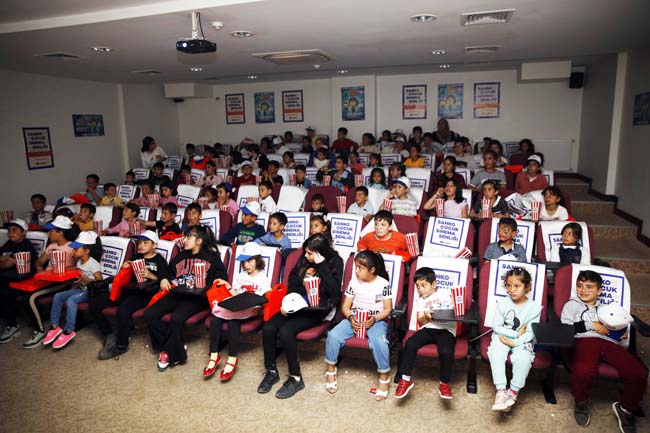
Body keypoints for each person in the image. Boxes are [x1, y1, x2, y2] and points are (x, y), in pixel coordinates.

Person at [258, 234, 343, 399]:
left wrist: (322, 265)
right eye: (306, 252)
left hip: (317, 308)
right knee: (268, 327)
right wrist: (290, 301)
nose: (306, 255)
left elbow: (334, 292)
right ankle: (271, 371)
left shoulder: (335, 261)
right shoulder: (304, 259)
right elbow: (293, 280)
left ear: (320, 253)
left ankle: (296, 377)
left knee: (286, 331)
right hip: (297, 303)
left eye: (310, 253)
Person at [561, 270, 648, 431]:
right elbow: (565, 330)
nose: (583, 290)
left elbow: (616, 328)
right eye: (580, 286)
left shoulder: (608, 308)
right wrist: (591, 325)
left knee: (639, 373)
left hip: (609, 343)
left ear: (599, 291)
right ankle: (581, 402)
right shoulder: (571, 305)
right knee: (583, 371)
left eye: (589, 287)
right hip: (585, 341)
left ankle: (626, 409)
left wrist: (620, 335)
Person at [144, 225, 227, 371]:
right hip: (177, 293)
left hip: (197, 298)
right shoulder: (181, 256)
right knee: (149, 314)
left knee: (176, 318)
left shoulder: (212, 257)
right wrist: (164, 279)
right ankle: (174, 346)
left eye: (188, 237)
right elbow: (166, 271)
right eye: (185, 237)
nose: (184, 240)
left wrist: (208, 284)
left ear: (199, 241)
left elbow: (221, 277)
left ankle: (172, 355)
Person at [324, 251, 392, 400]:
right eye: (356, 267)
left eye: (360, 268)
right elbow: (346, 306)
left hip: (376, 320)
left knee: (380, 341)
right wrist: (350, 317)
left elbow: (387, 309)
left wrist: (374, 319)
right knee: (333, 335)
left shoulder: (383, 284)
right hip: (354, 318)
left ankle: (384, 377)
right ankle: (330, 370)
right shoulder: (354, 282)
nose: (356, 270)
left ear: (372, 270)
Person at [94, 230, 171, 360]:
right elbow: (123, 276)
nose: (141, 245)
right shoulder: (136, 257)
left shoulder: (160, 260)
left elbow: (164, 279)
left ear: (154, 245)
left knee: (123, 311)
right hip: (130, 290)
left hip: (146, 294)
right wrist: (124, 267)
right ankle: (109, 334)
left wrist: (150, 275)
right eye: (140, 243)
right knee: (96, 302)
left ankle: (121, 345)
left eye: (145, 243)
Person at [205, 242, 271, 381]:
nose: (246, 265)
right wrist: (228, 286)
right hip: (236, 306)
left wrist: (259, 309)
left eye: (250, 261)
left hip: (250, 309)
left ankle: (232, 358)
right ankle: (214, 355)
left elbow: (266, 298)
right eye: (244, 262)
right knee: (215, 320)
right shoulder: (240, 276)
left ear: (257, 260)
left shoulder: (262, 278)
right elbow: (234, 294)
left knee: (233, 322)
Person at [395, 267, 456, 400]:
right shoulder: (421, 300)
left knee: (446, 351)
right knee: (410, 344)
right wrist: (427, 317)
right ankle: (405, 379)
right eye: (418, 286)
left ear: (434, 284)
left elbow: (456, 310)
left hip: (446, 330)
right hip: (429, 328)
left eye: (423, 286)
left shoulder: (446, 294)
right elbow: (421, 321)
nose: (420, 289)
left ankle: (444, 383)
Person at [488, 268, 541, 412]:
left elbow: (530, 333)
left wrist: (516, 342)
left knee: (523, 358)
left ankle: (512, 392)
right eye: (508, 285)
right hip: (505, 336)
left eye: (516, 286)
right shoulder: (503, 303)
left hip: (522, 340)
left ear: (527, 287)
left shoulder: (534, 308)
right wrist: (515, 334)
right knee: (496, 351)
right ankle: (500, 391)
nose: (511, 290)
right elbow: (497, 326)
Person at [42, 231, 103, 349]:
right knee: (58, 296)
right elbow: (79, 278)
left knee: (71, 300)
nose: (73, 251)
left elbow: (100, 283)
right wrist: (75, 281)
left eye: (76, 249)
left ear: (86, 251)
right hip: (80, 289)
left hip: (91, 292)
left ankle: (69, 330)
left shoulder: (93, 264)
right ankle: (54, 326)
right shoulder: (79, 262)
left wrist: (85, 279)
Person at [0, 219, 38, 344]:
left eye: (14, 230)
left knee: (4, 293)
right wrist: (5, 258)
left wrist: (4, 259)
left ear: (24, 232)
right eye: (9, 230)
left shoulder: (25, 246)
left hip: (23, 279)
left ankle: (13, 326)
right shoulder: (9, 243)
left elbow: (7, 264)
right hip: (7, 277)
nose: (10, 233)